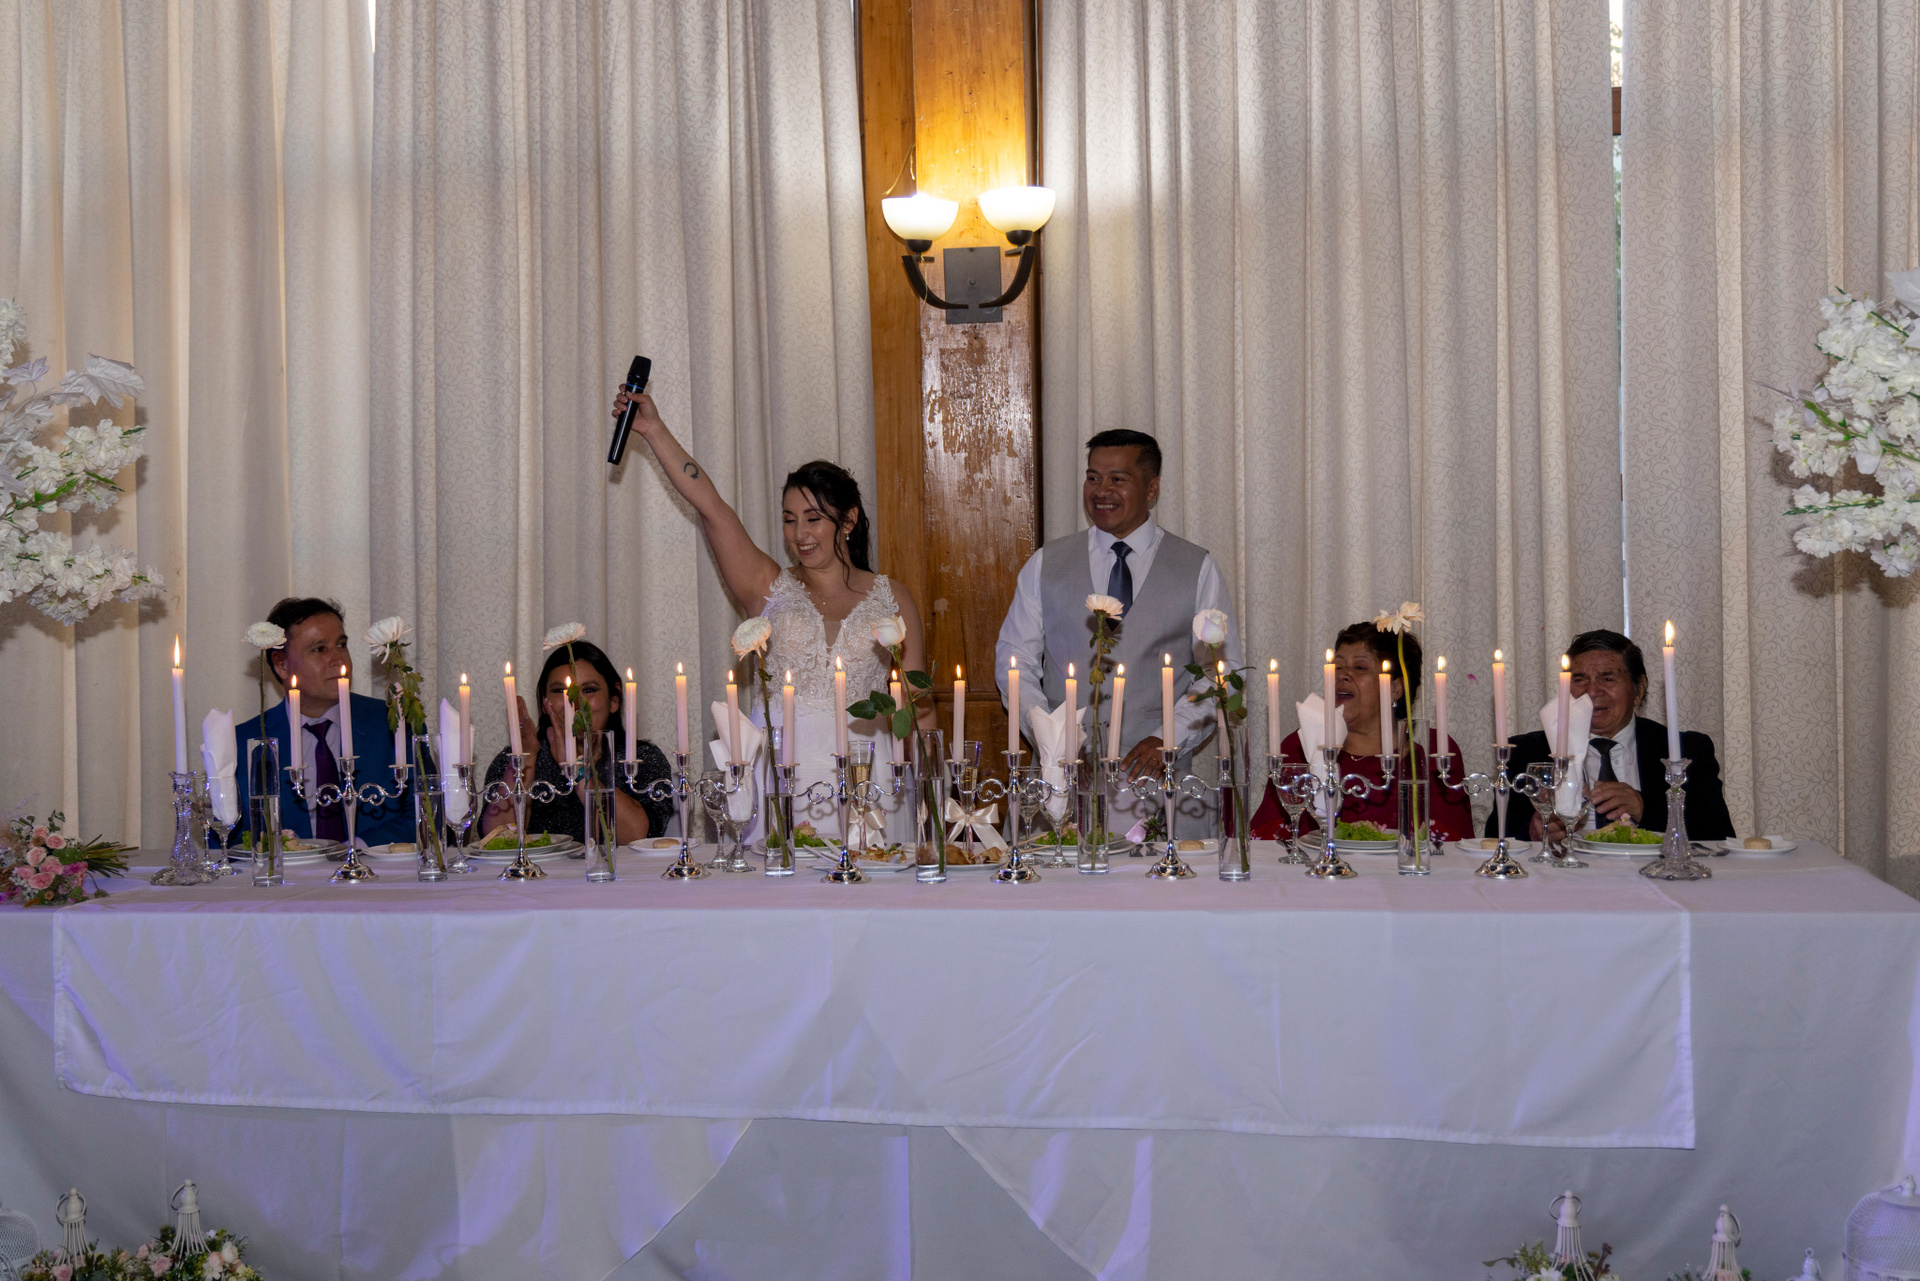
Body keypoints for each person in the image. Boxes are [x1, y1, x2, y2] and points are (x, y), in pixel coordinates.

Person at [611, 386, 932, 819]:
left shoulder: (891, 596)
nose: (799, 534)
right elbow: (711, 507)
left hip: (869, 781)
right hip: (781, 783)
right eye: (789, 519)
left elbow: (917, 707)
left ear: (849, 520)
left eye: (813, 519)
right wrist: (653, 429)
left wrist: (932, 801)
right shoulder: (767, 586)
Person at [994, 430, 1242, 793]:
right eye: (1093, 478)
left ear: (1152, 488)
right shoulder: (1046, 563)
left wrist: (1169, 737)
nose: (1101, 491)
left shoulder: (1197, 568)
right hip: (1061, 782)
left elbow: (1222, 673)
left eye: (1117, 479)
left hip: (1158, 786)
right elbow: (1014, 662)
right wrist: (1051, 736)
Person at [1486, 628, 1736, 841]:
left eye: (1607, 678)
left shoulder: (1687, 749)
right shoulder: (1526, 753)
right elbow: (1495, 837)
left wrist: (1644, 808)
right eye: (1580, 680)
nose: (1592, 692)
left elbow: (1718, 834)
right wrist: (1532, 832)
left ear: (1639, 689)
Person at [1250, 621, 1474, 842]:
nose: (1342, 675)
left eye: (1359, 667)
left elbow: (1453, 844)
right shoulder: (1303, 745)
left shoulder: (1433, 750)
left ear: (1395, 688)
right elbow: (1267, 838)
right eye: (1337, 667)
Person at [233, 597, 412, 848]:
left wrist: (356, 849)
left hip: (375, 869)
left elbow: (426, 814)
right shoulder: (245, 742)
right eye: (319, 649)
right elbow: (228, 837)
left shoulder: (393, 722)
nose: (339, 660)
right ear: (281, 665)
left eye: (341, 645)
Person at [478, 640, 673, 844]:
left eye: (588, 690)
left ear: (614, 699)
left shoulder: (642, 759)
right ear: (544, 702)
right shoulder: (515, 759)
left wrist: (578, 768)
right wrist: (526, 758)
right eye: (560, 691)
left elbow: (637, 838)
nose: (574, 702)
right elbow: (495, 840)